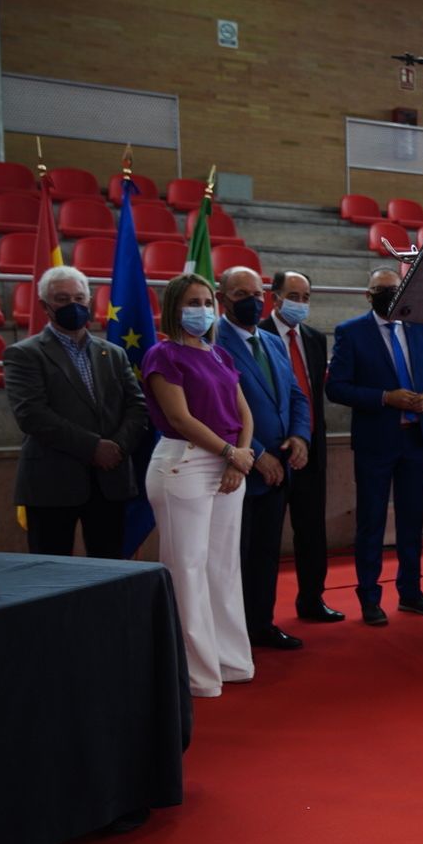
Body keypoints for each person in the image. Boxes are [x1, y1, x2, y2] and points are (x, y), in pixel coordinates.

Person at [141, 274, 256, 698]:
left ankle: (230, 661)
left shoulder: (221, 354)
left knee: (223, 568)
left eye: (207, 301)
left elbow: (245, 411)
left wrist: (240, 458)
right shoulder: (163, 355)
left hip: (229, 465)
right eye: (193, 301)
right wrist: (231, 454)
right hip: (184, 465)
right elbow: (180, 418)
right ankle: (196, 673)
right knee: (187, 569)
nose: (202, 309)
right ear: (175, 306)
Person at [326, 266, 423, 626]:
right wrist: (385, 397)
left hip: (415, 440)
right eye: (381, 290)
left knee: (413, 521)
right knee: (372, 521)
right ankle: (369, 597)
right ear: (368, 295)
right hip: (376, 443)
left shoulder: (422, 328)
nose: (390, 295)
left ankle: (410, 592)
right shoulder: (351, 332)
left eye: (394, 289)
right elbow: (336, 388)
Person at [3, 265, 148, 558]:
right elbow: (31, 414)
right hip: (52, 483)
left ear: (90, 300)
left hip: (110, 481)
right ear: (45, 306)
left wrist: (116, 447)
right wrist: (93, 447)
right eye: (62, 299)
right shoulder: (23, 353)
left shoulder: (114, 353)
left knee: (110, 574)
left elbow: (137, 407)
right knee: (50, 576)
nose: (73, 305)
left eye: (79, 298)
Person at [213, 266, 311, 652]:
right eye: (240, 294)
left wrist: (300, 437)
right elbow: (216, 411)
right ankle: (230, 635)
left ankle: (260, 624)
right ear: (222, 300)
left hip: (278, 472)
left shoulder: (271, 342)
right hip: (238, 471)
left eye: (257, 293)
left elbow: (296, 396)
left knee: (266, 555)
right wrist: (257, 455)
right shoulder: (213, 343)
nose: (252, 301)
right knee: (232, 558)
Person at [263, 270, 343, 623]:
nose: (300, 304)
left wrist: (307, 439)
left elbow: (311, 393)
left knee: (312, 531)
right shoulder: (256, 335)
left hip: (310, 449)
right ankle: (260, 613)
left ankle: (312, 600)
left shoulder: (312, 337)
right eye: (293, 296)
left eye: (306, 297)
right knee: (265, 539)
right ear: (275, 297)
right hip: (270, 452)